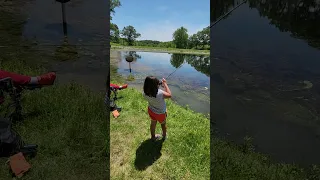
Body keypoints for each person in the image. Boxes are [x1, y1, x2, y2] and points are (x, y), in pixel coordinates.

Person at [143, 76, 171, 141]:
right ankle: (164, 136)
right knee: (163, 125)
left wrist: (158, 85)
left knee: (153, 123)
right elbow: (169, 95)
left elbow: (153, 91)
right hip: (160, 113)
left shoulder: (144, 93)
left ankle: (153, 137)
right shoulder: (160, 93)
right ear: (156, 86)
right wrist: (165, 84)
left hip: (151, 111)